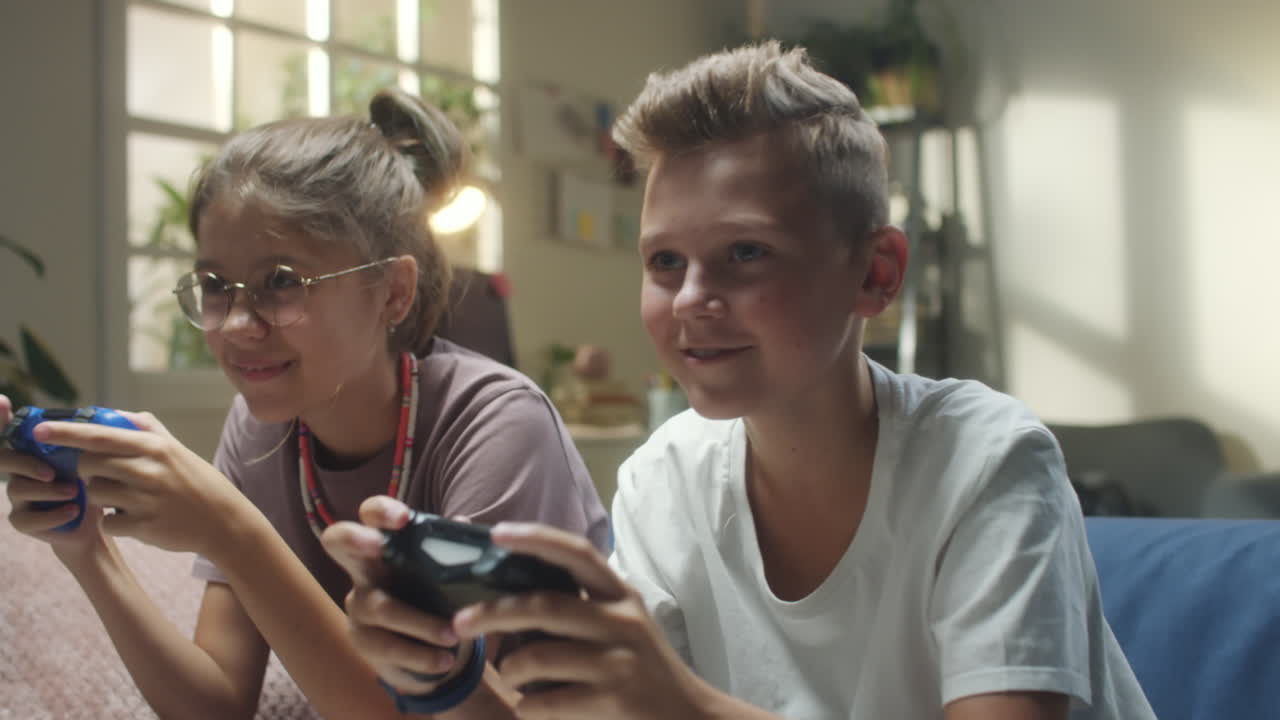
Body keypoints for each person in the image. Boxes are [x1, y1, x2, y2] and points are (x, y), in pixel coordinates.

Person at [325, 42, 1157, 719]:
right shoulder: (665, 478)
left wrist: (675, 701)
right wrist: (443, 677)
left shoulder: (989, 460)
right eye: (664, 262)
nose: (690, 300)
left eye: (746, 253)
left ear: (876, 271)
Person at [1, 87, 610, 719]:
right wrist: (88, 553)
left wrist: (231, 530)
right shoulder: (259, 433)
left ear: (393, 293)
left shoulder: (495, 425)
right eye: (214, 287)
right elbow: (215, 705)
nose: (236, 324)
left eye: (282, 283)